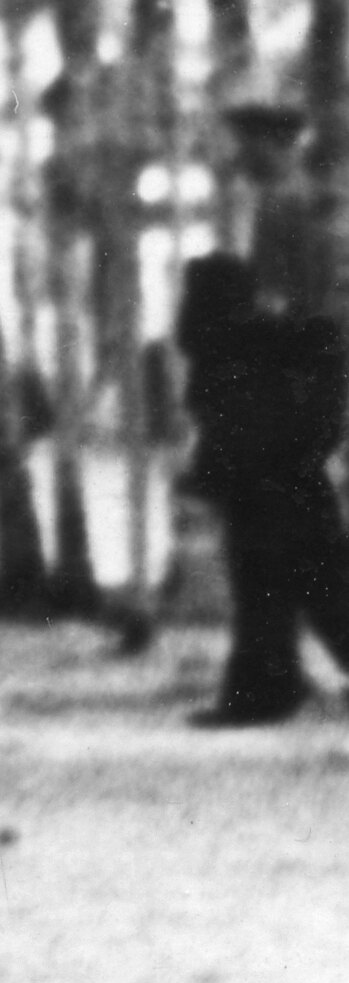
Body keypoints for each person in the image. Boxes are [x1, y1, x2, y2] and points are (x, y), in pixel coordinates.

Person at [183, 100, 349, 722]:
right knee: (300, 550)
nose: (239, 153)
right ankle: (265, 683)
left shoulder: (285, 208)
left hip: (286, 399)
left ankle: (265, 686)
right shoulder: (298, 205)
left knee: (278, 550)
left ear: (276, 143)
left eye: (248, 142)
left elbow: (287, 309)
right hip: (302, 395)